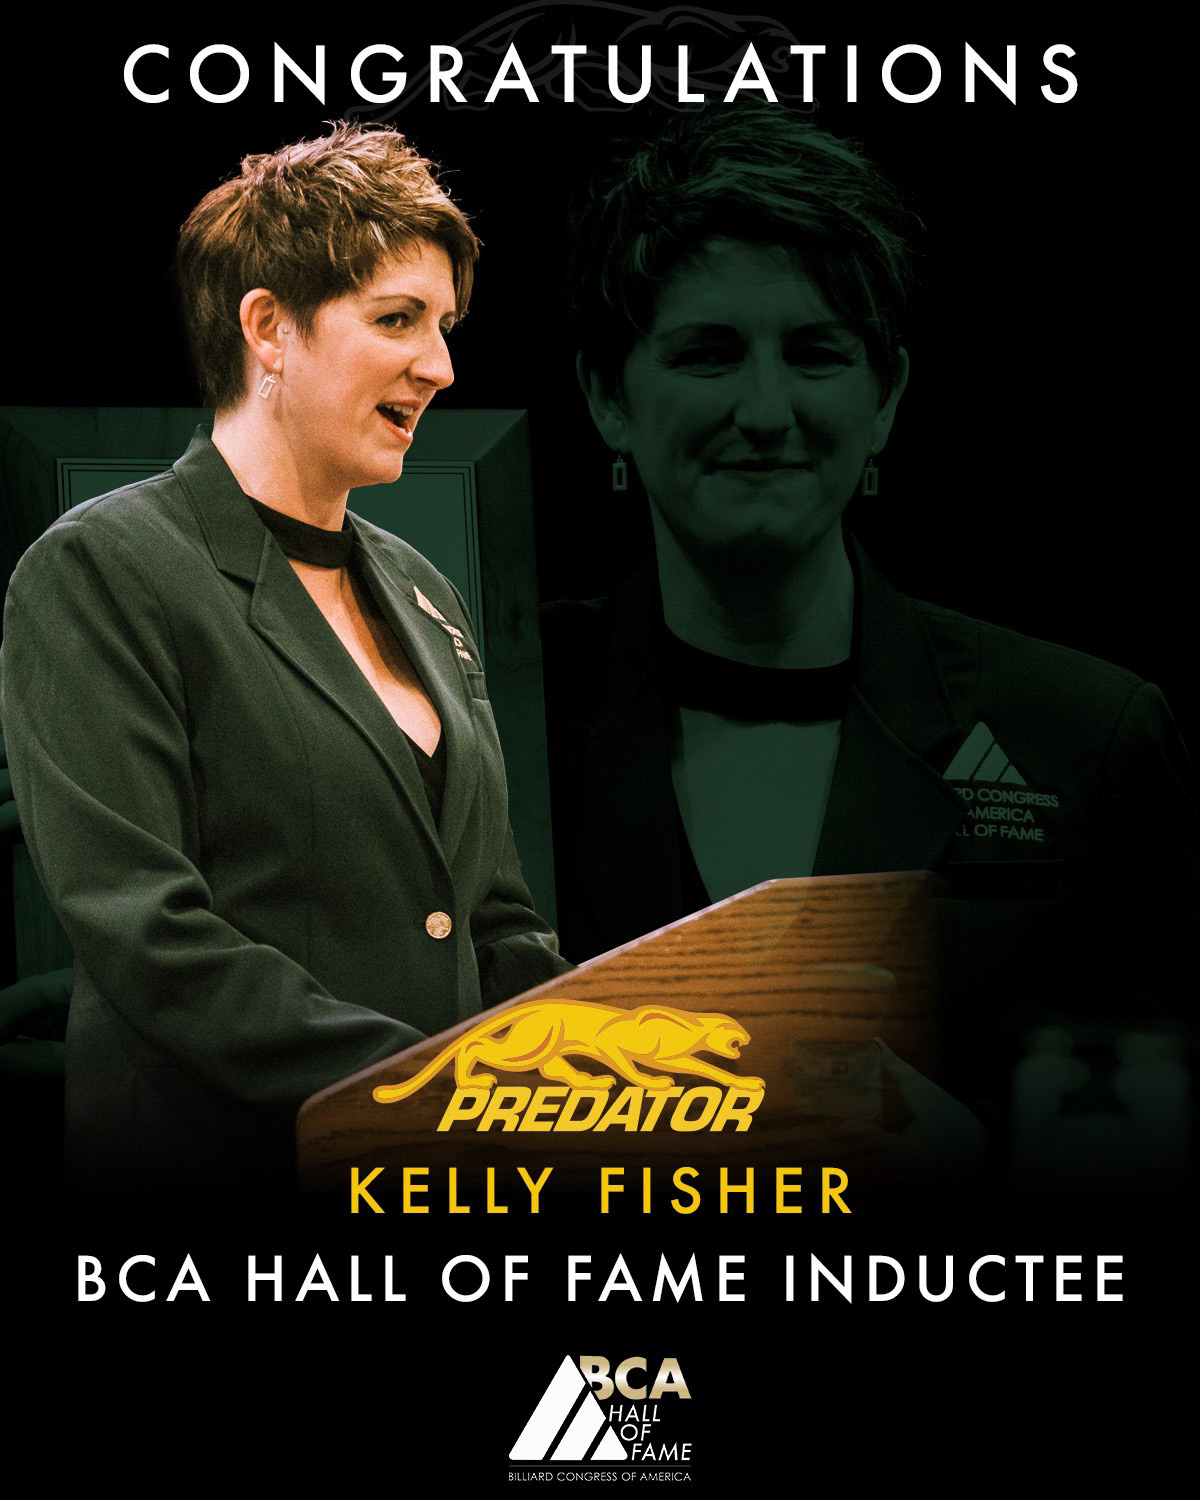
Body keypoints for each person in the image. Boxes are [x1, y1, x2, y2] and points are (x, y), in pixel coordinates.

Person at [543, 105, 1196, 1124]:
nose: (766, 412)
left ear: (885, 397)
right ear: (607, 398)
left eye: (816, 353)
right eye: (709, 354)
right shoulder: (492, 714)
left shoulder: (1085, 734)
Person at [0, 121, 569, 1191]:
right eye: (397, 319)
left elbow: (495, 920)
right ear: (268, 326)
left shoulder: (423, 589)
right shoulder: (100, 568)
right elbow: (150, 935)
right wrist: (428, 1090)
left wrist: (608, 1070)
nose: (441, 366)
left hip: (436, 1184)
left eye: (445, 326)